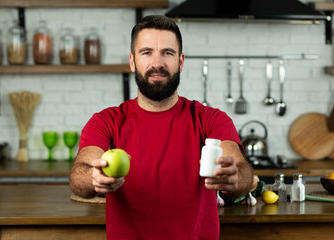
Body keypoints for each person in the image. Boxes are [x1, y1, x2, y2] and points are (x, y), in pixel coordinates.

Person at [70, 15, 253, 240]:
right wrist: (93, 177)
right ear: (132, 61)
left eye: (168, 53)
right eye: (147, 52)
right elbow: (80, 174)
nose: (157, 63)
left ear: (181, 61)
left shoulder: (211, 119)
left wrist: (234, 179)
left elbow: (242, 171)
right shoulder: (106, 121)